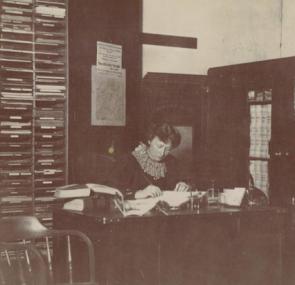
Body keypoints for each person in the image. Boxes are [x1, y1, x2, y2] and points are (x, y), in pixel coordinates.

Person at [106, 120, 190, 199]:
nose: (162, 153)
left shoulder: (172, 162)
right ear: (149, 141)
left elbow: (187, 180)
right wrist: (138, 193)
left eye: (168, 149)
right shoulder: (128, 160)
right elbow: (109, 189)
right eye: (159, 146)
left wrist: (184, 185)